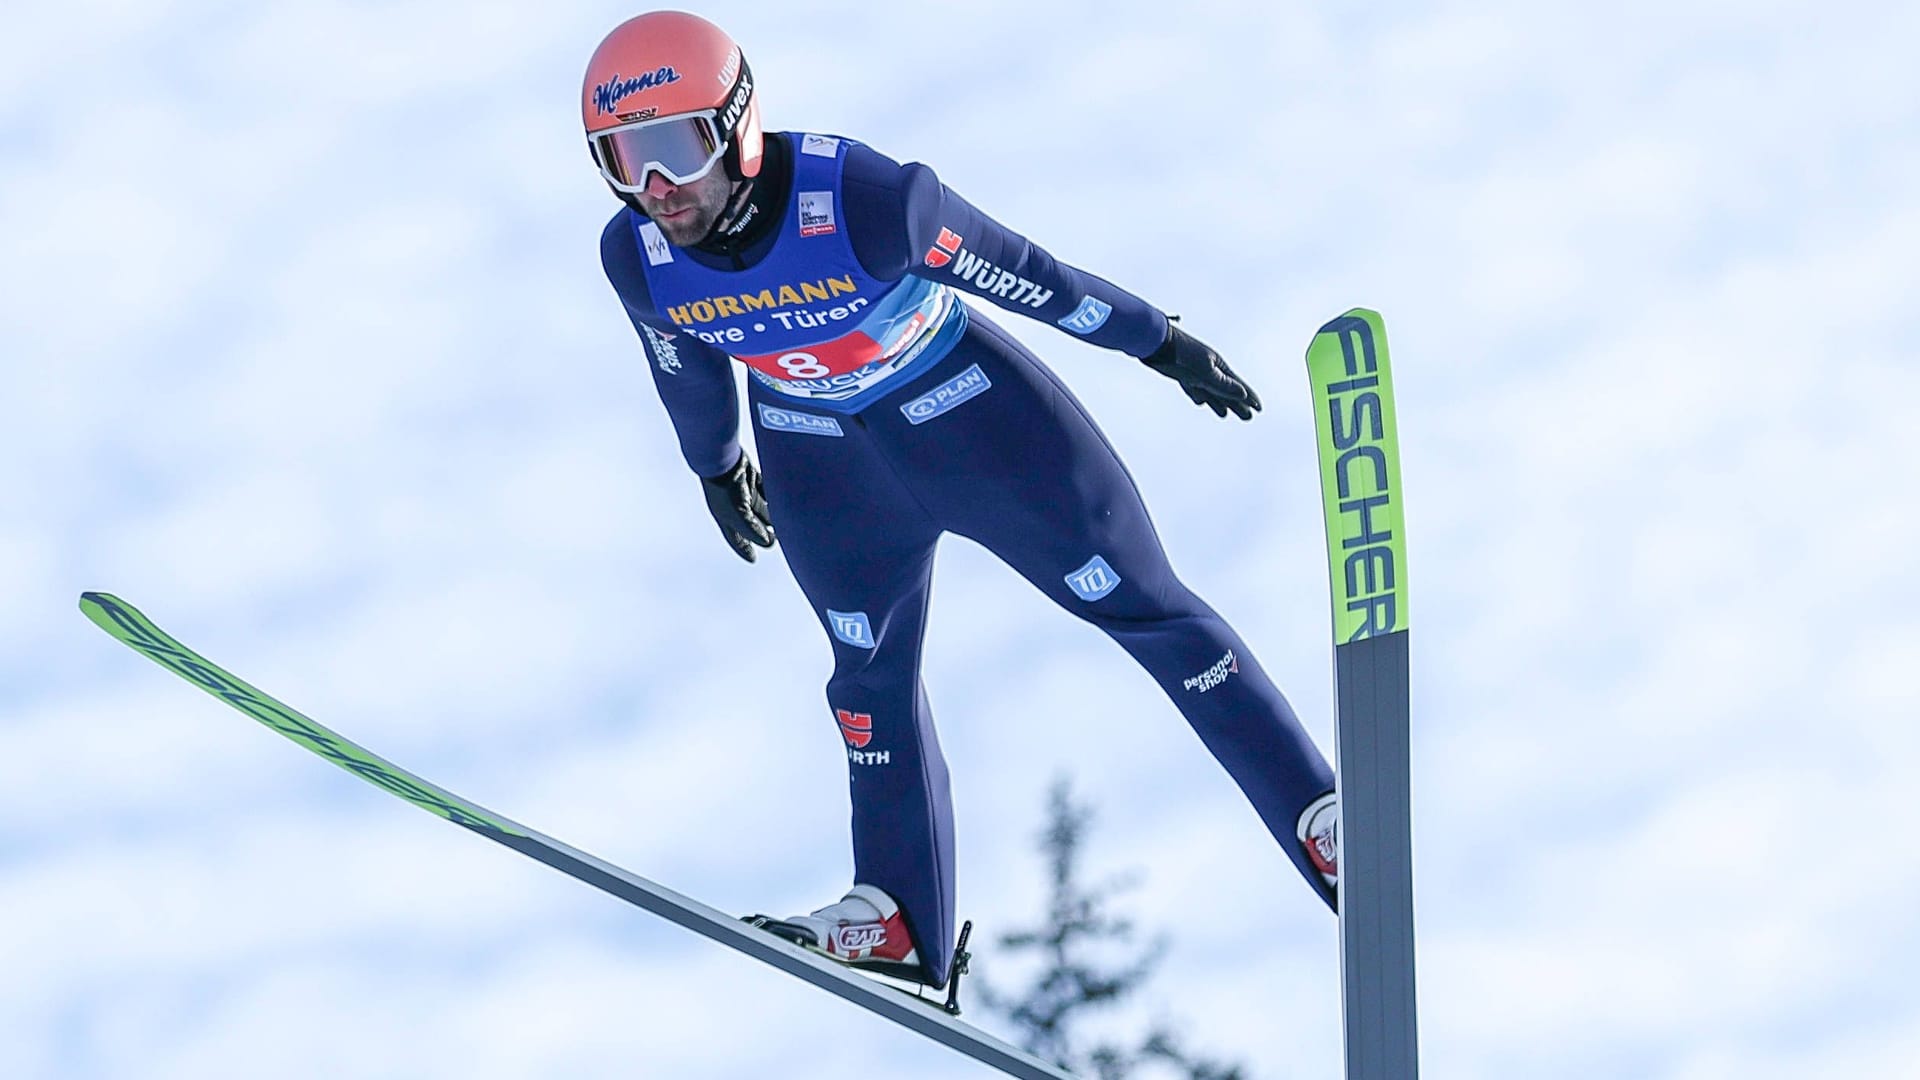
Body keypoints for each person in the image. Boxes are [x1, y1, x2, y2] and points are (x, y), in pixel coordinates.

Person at [586, 11, 1339, 990]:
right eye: (619, 160)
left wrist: (1155, 340)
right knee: (865, 676)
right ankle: (897, 917)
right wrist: (718, 464)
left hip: (975, 425)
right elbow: (681, 365)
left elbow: (1026, 274)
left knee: (1147, 608)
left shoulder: (863, 199)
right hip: (824, 466)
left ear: (737, 123)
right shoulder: (637, 255)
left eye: (671, 149)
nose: (655, 189)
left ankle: (1320, 819)